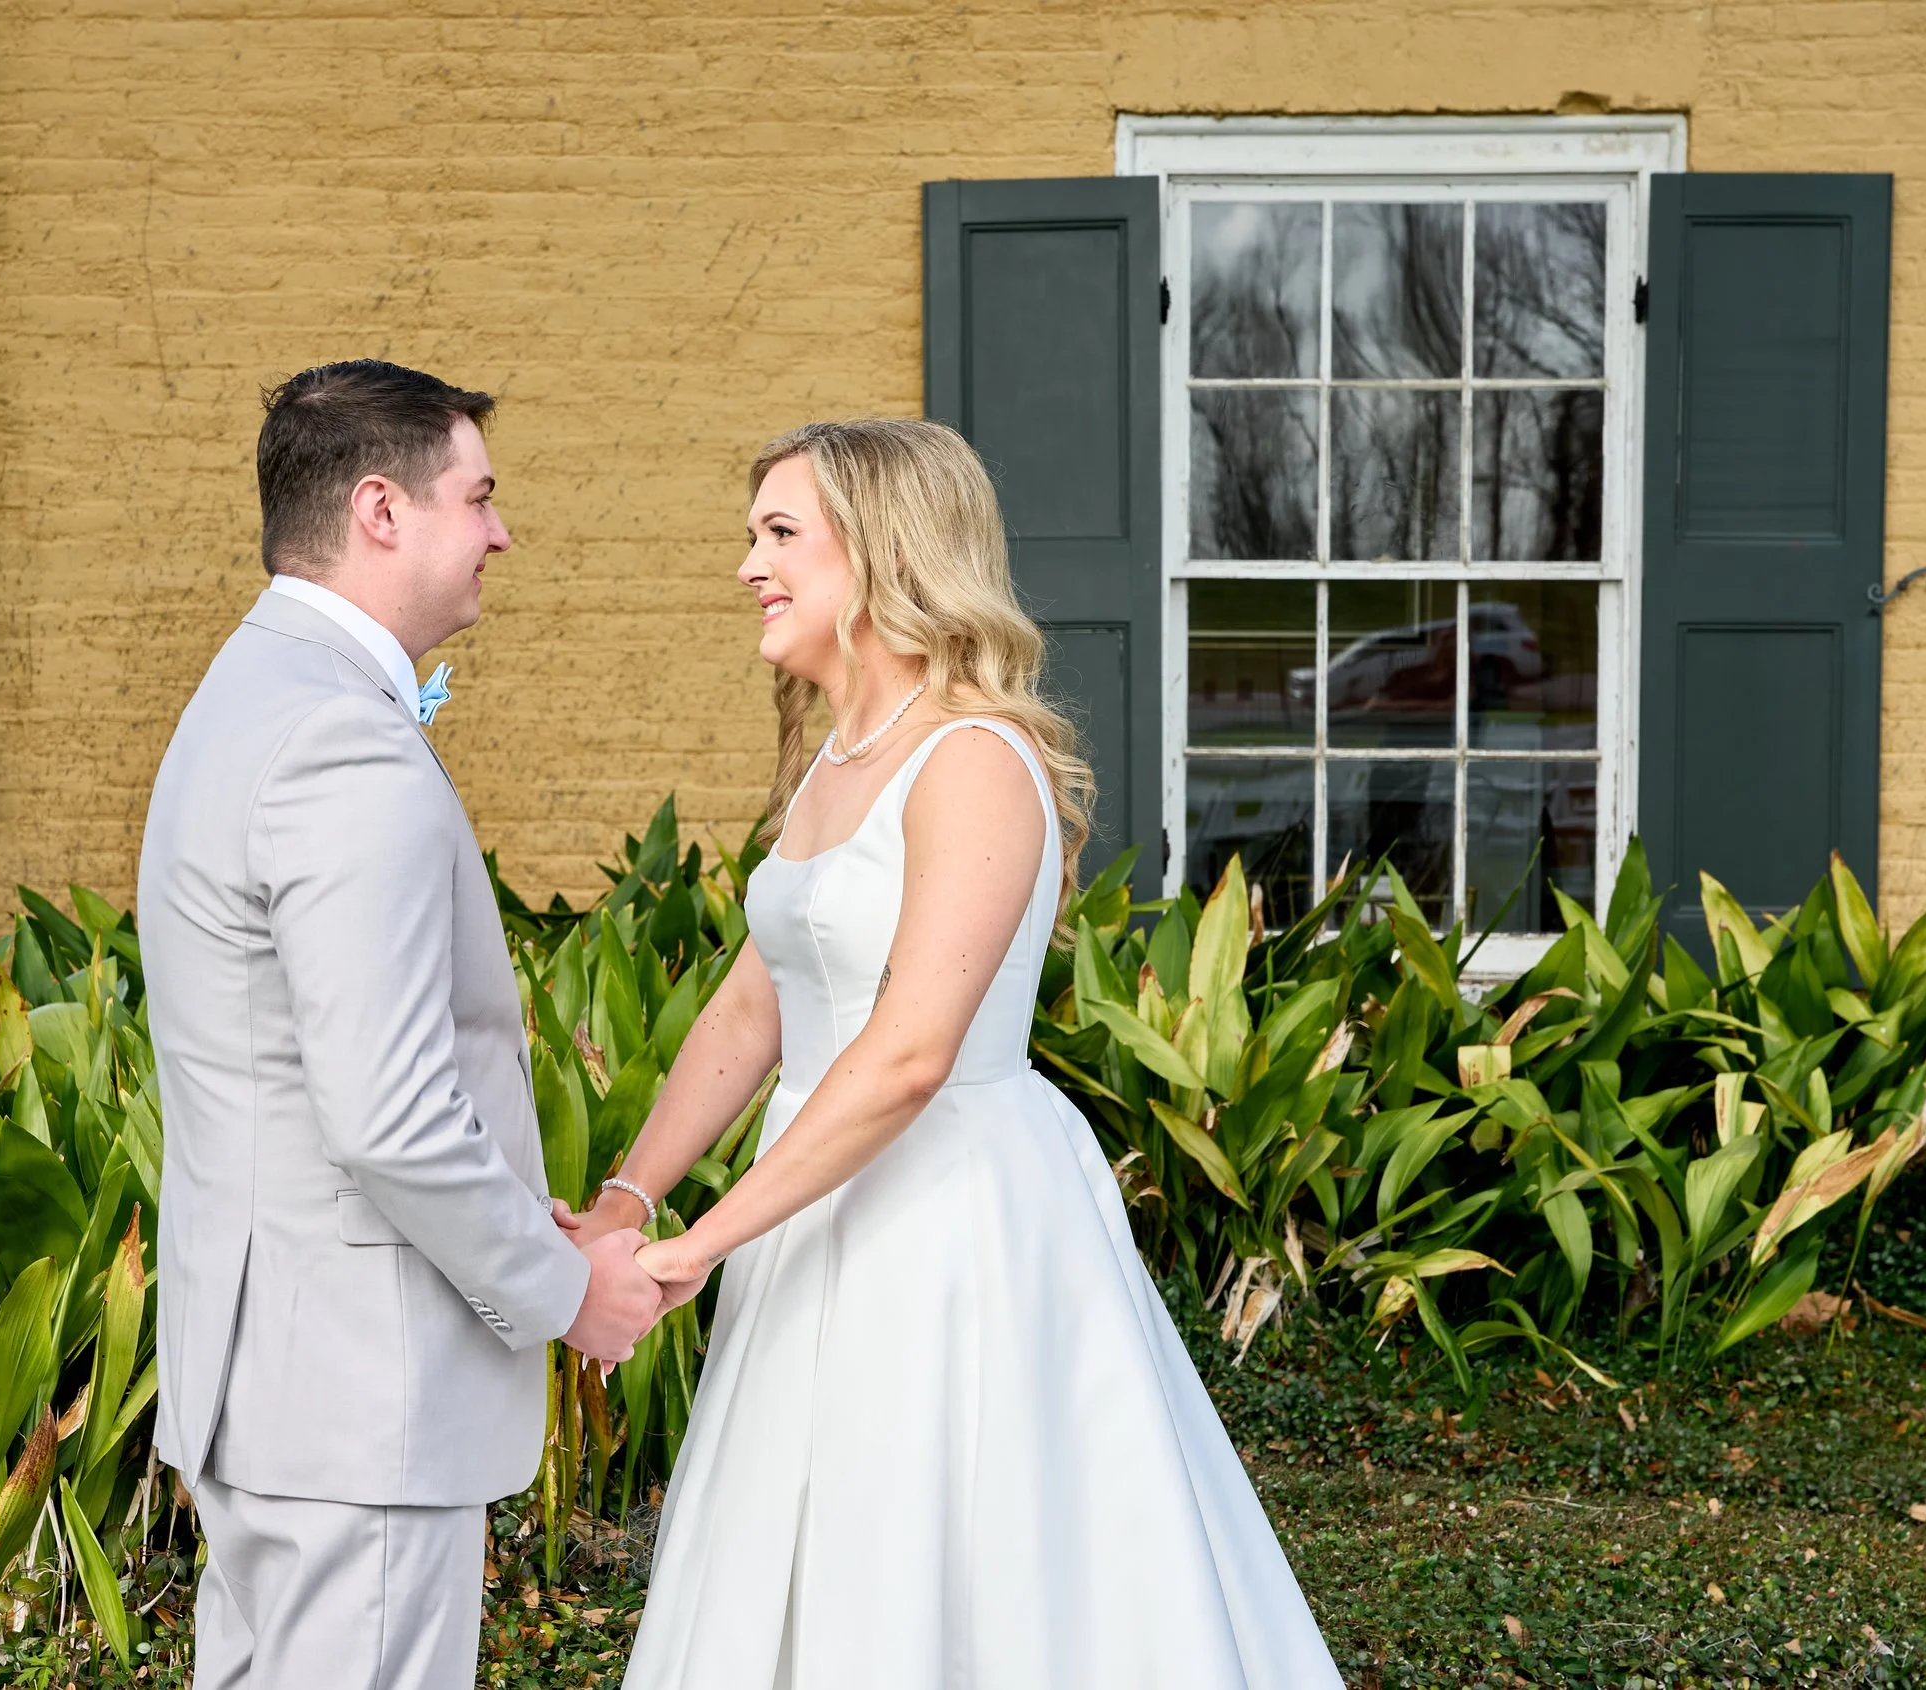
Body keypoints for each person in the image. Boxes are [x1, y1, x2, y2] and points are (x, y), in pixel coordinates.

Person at [560, 418, 1345, 1687]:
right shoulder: (834, 756)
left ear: (880, 553)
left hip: (946, 1219)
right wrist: (628, 1196)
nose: (746, 567)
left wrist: (698, 1248)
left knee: (955, 1541)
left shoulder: (973, 758)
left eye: (778, 534)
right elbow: (755, 1005)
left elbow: (914, 1051)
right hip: (814, 1197)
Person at [137, 360, 664, 1690]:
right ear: (381, 508)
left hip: (283, 1376)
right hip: (354, 1394)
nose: (500, 531)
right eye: (477, 496)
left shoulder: (248, 696)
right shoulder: (336, 741)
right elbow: (385, 1110)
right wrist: (567, 1289)